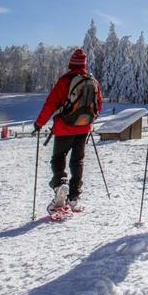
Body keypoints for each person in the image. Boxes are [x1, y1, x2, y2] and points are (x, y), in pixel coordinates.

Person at [33, 48, 103, 212]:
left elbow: (51, 103)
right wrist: (89, 120)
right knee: (77, 161)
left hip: (65, 127)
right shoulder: (93, 81)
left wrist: (39, 123)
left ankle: (60, 184)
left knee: (59, 157)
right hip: (84, 127)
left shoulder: (65, 80)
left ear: (71, 63)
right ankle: (74, 197)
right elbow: (99, 105)